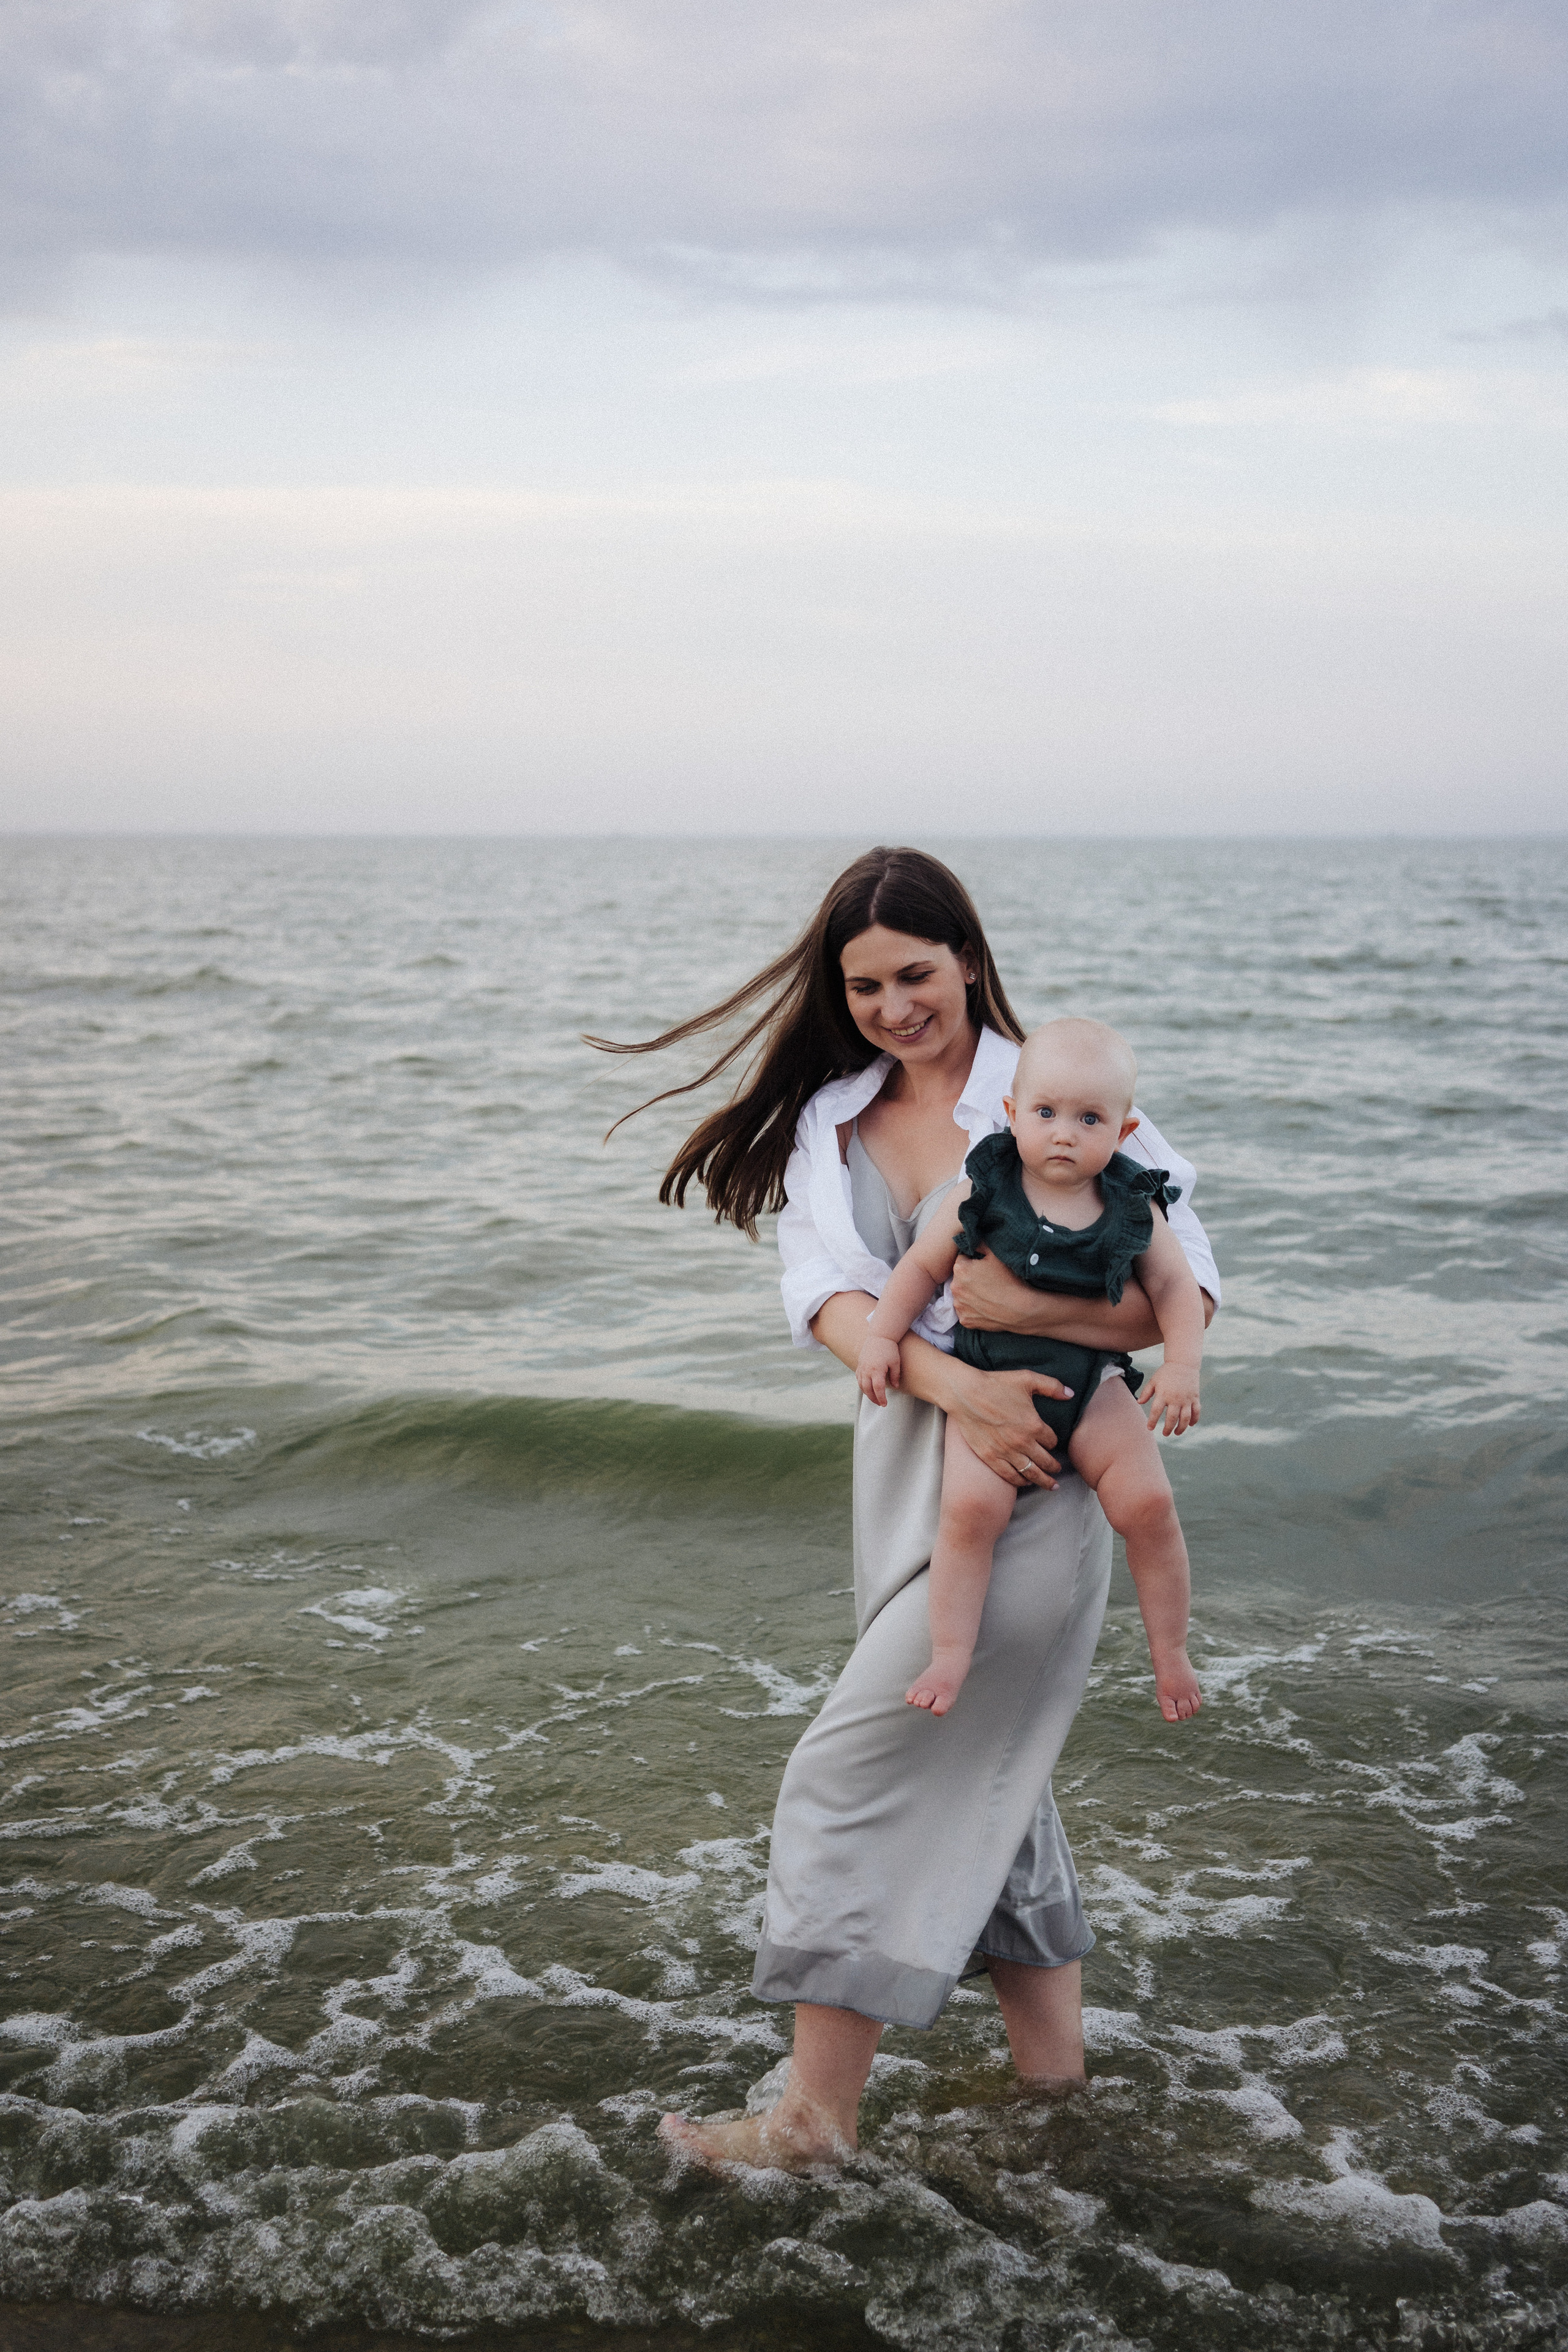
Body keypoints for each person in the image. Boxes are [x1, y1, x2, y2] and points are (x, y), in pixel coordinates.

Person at [589, 846, 1219, 2170]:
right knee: (990, 1776)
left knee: (853, 1770)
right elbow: (819, 1295)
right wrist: (949, 1379)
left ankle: (813, 2123)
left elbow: (1180, 1290)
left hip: (1037, 1476)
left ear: (967, 962)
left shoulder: (1054, 1086)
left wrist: (1010, 1342)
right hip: (906, 1471)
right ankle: (1056, 2098)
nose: (892, 1003)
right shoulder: (831, 1119)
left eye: (915, 974)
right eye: (864, 982)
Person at [857, 1016, 1205, 1722]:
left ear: (1125, 1131)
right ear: (1012, 1114)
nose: (1064, 1133)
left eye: (1089, 1118)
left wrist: (1180, 1368)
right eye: (1044, 1113)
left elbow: (1175, 1290)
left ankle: (1169, 1652)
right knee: (969, 1512)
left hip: (1093, 1382)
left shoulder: (1132, 1201)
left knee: (1148, 1505)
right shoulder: (983, 1190)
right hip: (987, 1379)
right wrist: (881, 1339)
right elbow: (921, 1268)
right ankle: (950, 1653)